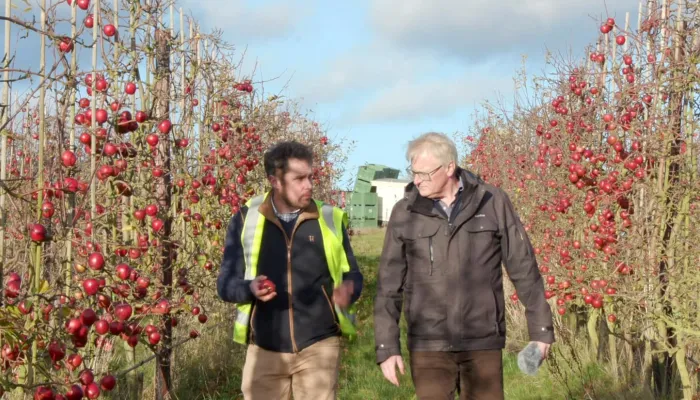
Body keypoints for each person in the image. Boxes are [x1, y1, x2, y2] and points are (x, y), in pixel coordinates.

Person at [373, 132, 554, 400]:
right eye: (414, 172)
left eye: (424, 173)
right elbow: (389, 285)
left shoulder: (492, 202)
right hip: (428, 343)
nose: (417, 180)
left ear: (449, 168)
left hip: (482, 340)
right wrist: (387, 347)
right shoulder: (405, 213)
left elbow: (523, 267)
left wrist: (540, 330)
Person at [217, 140, 363, 400]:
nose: (309, 185)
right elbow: (225, 284)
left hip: (319, 345)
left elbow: (352, 274)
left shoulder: (330, 218)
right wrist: (249, 288)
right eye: (299, 179)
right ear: (275, 181)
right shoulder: (244, 220)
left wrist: (348, 290)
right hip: (264, 348)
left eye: (310, 177)